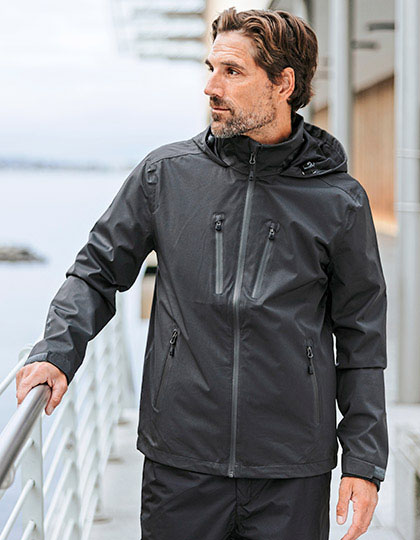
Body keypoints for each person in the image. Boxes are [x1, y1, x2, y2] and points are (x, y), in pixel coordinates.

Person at [16, 7, 388, 540]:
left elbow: (361, 336)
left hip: (290, 470)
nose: (211, 86)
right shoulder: (164, 176)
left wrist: (363, 461)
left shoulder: (339, 201)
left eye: (232, 71)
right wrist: (56, 351)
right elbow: (96, 271)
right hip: (180, 463)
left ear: (284, 84)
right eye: (211, 68)